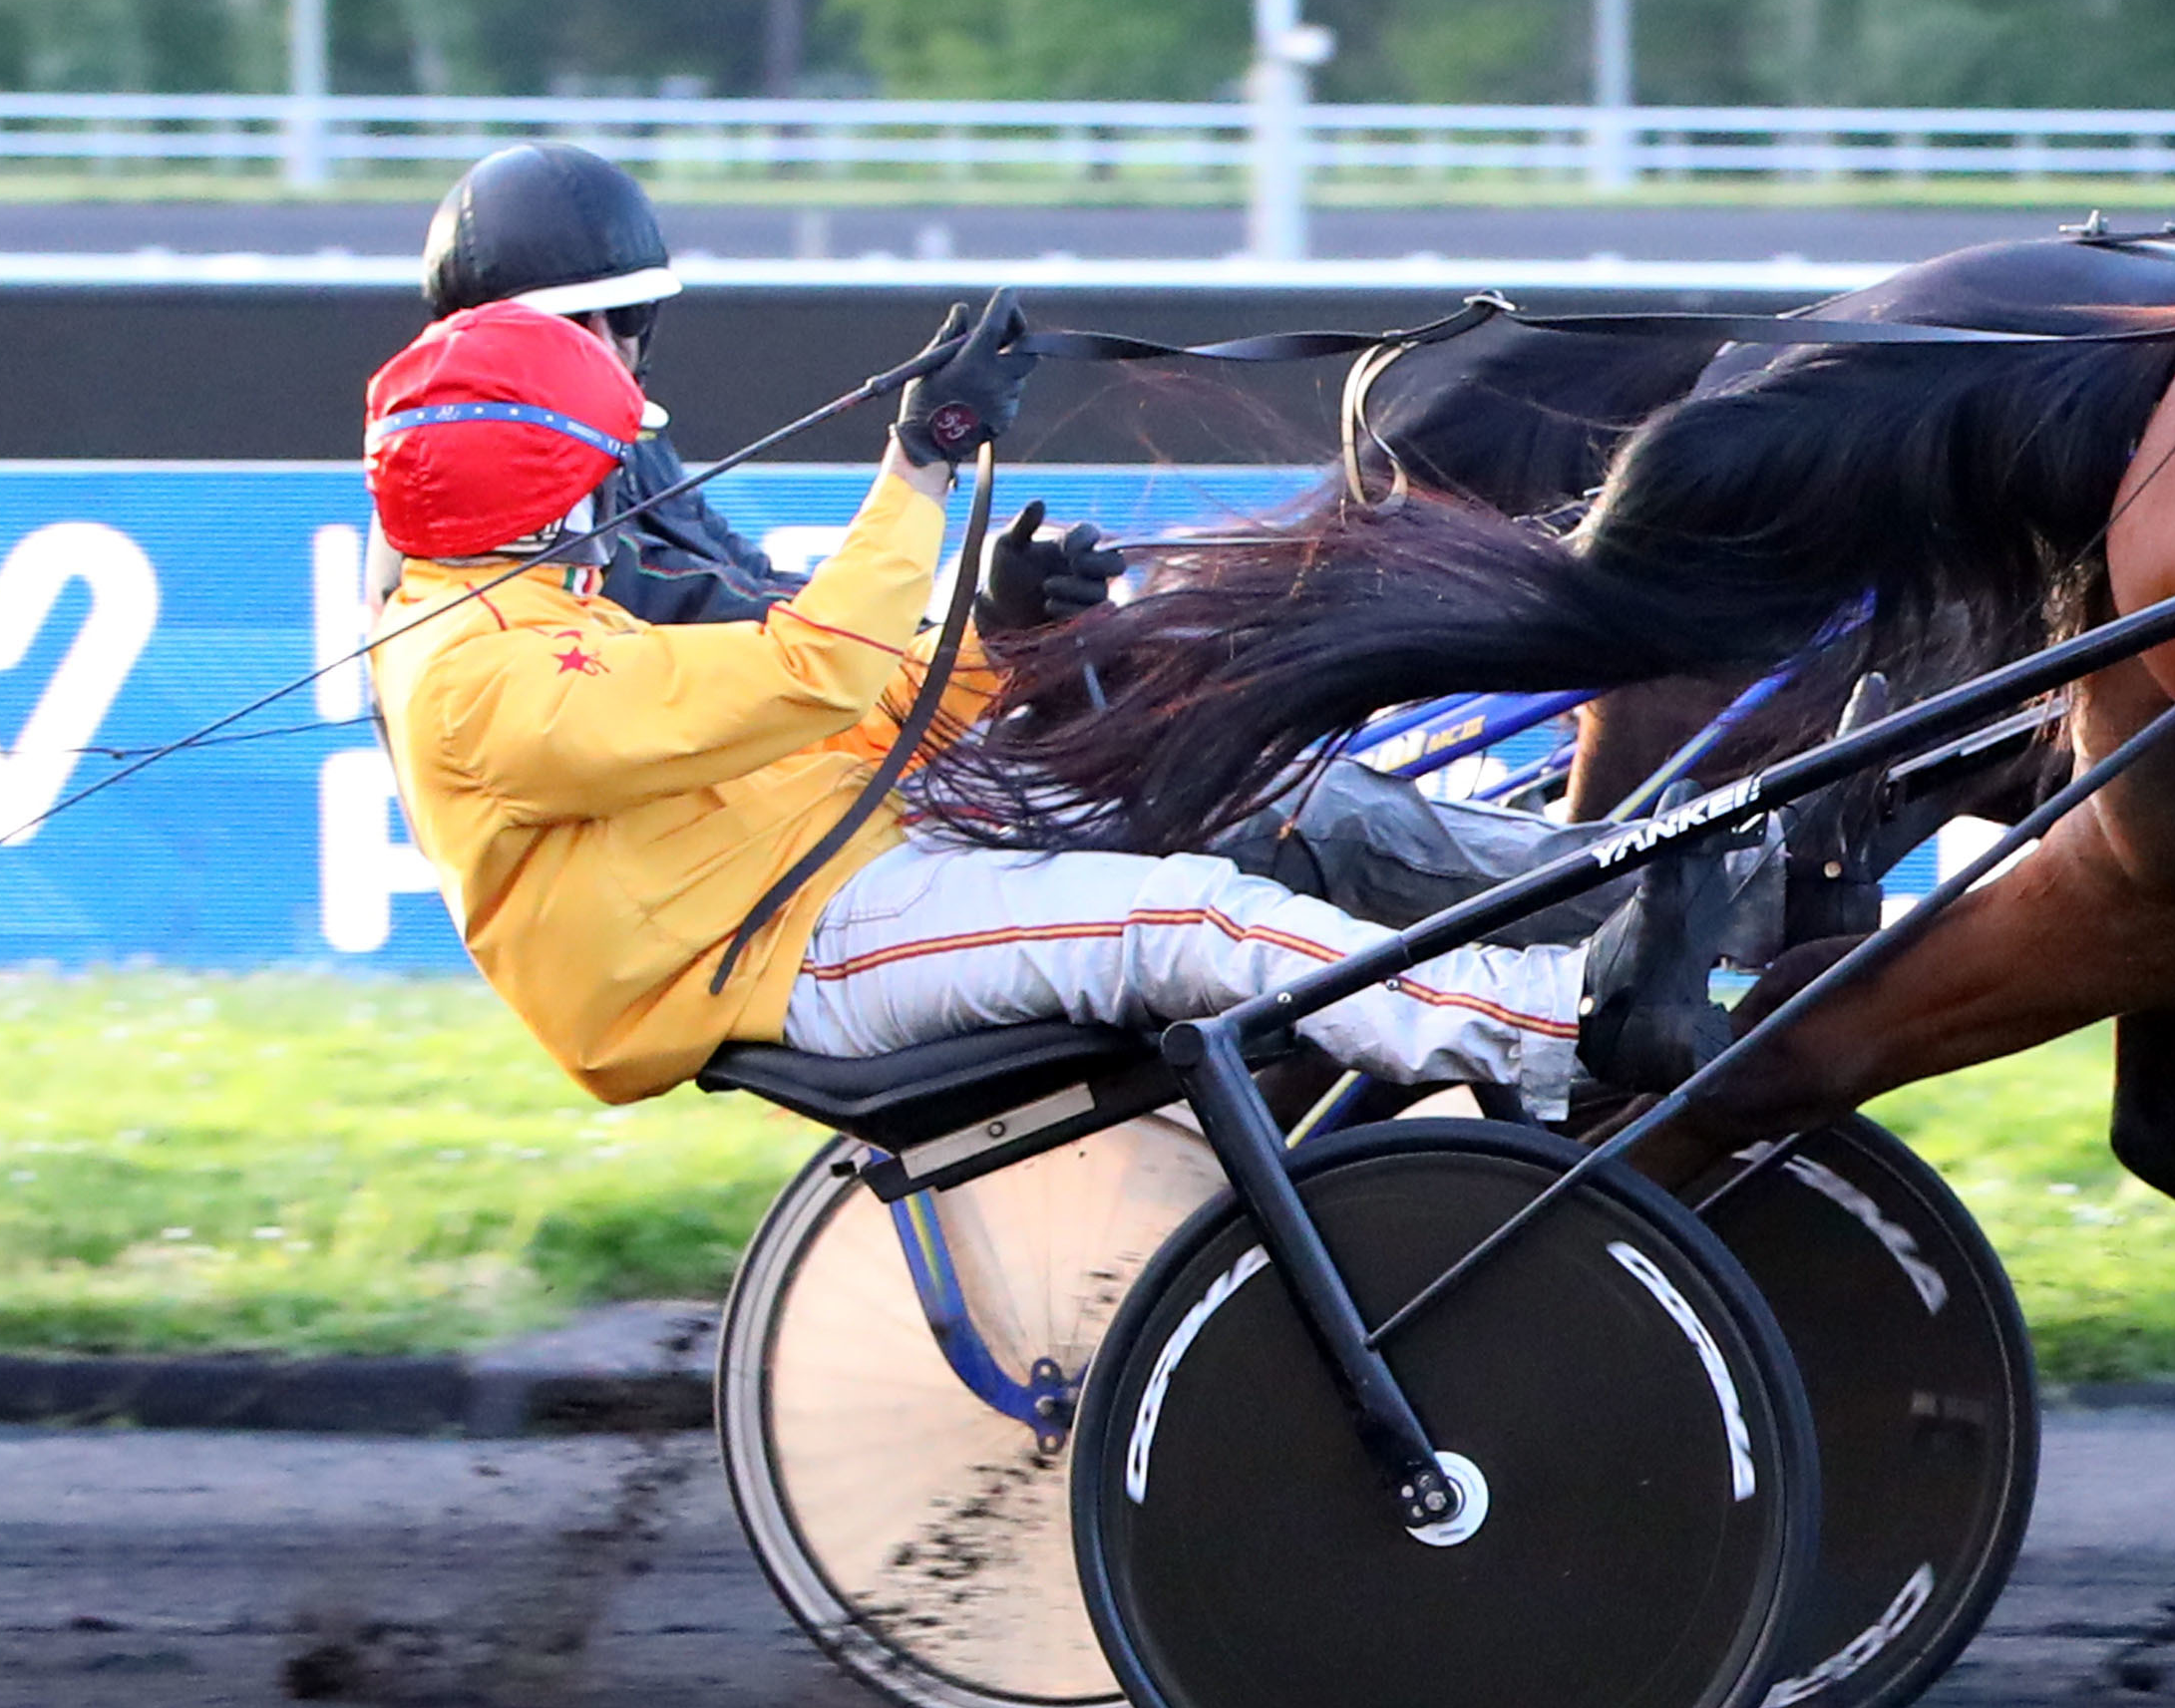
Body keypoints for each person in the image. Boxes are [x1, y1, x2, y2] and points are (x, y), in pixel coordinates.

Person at [366, 292, 1619, 1113]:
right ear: (551, 491)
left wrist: (993, 631)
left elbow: (840, 718)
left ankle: (1629, 890)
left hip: (839, 850)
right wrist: (919, 463)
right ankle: (1555, 1030)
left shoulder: (532, 620)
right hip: (776, 952)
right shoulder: (478, 679)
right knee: (1190, 922)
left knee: (1250, 783)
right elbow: (822, 666)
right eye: (606, 460)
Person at [417, 142, 788, 627]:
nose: (606, 347)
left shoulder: (635, 441)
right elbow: (667, 599)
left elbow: (740, 569)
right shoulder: (472, 474)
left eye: (626, 315)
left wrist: (901, 633)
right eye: (568, 323)